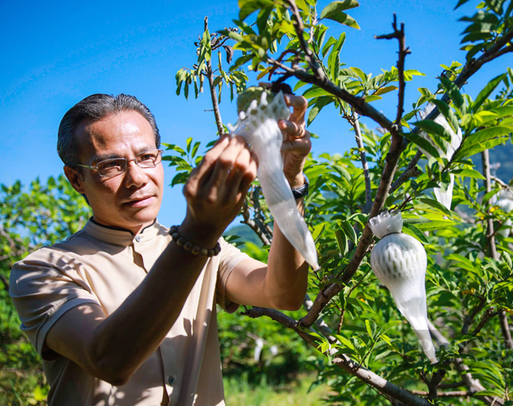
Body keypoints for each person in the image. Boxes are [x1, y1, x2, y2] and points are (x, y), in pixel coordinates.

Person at [9, 92, 312, 405]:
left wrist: (289, 185)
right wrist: (198, 235)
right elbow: (109, 360)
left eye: (146, 157)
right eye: (111, 165)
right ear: (76, 179)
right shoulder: (42, 270)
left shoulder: (208, 249)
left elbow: (282, 294)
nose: (137, 178)